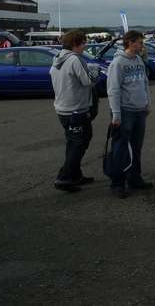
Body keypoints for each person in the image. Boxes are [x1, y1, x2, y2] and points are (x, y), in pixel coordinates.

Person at [50, 30, 97, 193]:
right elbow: (88, 81)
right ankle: (64, 177)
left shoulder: (56, 58)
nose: (85, 46)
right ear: (75, 44)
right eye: (83, 43)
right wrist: (94, 70)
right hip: (76, 109)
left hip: (62, 109)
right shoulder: (75, 60)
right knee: (80, 142)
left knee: (73, 142)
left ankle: (76, 174)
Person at [107, 30, 153, 198]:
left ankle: (135, 178)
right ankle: (117, 183)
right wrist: (116, 114)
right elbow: (113, 89)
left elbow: (144, 82)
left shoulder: (139, 59)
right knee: (120, 148)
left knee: (136, 147)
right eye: (140, 42)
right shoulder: (118, 63)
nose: (142, 45)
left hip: (140, 110)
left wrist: (147, 102)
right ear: (131, 42)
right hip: (125, 111)